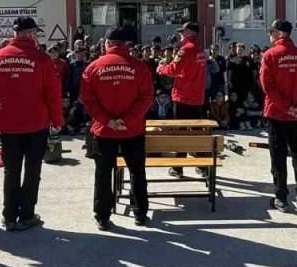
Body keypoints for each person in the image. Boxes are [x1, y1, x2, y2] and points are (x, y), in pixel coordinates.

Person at [0, 17, 63, 232]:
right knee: (32, 169)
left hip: (8, 125)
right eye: (35, 33)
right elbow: (53, 93)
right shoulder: (41, 59)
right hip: (36, 124)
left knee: (11, 170)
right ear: (30, 34)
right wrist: (57, 120)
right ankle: (27, 215)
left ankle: (9, 216)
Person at [80, 27, 153, 230]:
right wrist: (127, 120)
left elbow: (88, 100)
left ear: (107, 44)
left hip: (104, 130)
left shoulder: (93, 67)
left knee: (103, 174)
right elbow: (146, 98)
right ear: (126, 45)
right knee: (137, 171)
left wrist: (108, 121)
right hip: (132, 129)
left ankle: (102, 216)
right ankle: (140, 213)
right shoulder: (139, 67)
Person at [259, 19, 297, 212]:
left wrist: (286, 107)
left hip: (277, 115)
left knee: (278, 157)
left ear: (280, 34)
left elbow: (268, 86)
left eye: (271, 31)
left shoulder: (270, 55)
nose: (269, 34)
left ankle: (281, 197)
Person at [157, 22, 208, 177]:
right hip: (197, 97)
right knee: (197, 132)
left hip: (183, 97)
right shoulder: (200, 51)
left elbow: (174, 70)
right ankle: (202, 166)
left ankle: (178, 167)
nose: (180, 34)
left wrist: (161, 68)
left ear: (189, 33)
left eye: (183, 31)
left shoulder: (185, 50)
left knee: (181, 132)